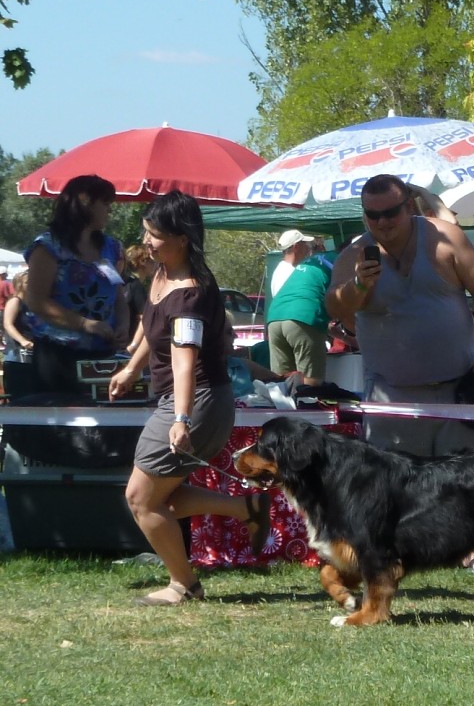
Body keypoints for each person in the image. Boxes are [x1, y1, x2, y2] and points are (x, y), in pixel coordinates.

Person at [326, 174, 474, 572]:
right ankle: (399, 552)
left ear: (409, 205)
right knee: (392, 481)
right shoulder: (355, 255)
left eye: (390, 212)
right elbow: (336, 308)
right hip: (392, 391)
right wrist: (358, 286)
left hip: (458, 383)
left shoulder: (446, 237)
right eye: (373, 215)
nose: (383, 222)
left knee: (466, 473)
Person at [108, 191, 269, 606]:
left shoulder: (189, 294)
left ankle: (184, 585)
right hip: (182, 400)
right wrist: (131, 369)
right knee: (161, 497)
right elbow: (154, 330)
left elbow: (184, 360)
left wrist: (181, 416)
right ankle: (246, 508)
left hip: (196, 401)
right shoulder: (163, 275)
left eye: (155, 235)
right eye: (145, 232)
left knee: (139, 498)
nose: (146, 242)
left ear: (182, 238)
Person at [23, 175, 129, 395]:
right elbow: (36, 300)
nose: (110, 211)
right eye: (106, 204)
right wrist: (84, 324)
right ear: (85, 202)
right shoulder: (48, 246)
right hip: (58, 356)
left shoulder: (112, 247)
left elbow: (119, 297)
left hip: (103, 355)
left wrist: (123, 326)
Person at [267, 248, 338, 385]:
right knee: (310, 385)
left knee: (280, 384)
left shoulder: (313, 259)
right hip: (303, 316)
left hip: (275, 316)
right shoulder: (344, 260)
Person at [122, 244, 156, 355]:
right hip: (131, 345)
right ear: (142, 262)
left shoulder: (124, 283)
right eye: (151, 261)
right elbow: (144, 318)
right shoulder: (136, 286)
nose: (154, 264)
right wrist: (135, 345)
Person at [270, 229, 314, 297]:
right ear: (296, 247)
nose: (307, 248)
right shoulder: (287, 273)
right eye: (304, 244)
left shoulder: (283, 270)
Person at [2, 271, 34, 362]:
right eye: (27, 282)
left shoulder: (32, 303)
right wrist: (23, 341)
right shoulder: (15, 301)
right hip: (17, 350)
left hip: (32, 348)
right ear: (19, 285)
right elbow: (8, 324)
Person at [0, 265, 13, 348]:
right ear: (3, 274)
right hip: (3, 309)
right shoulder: (6, 284)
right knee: (6, 327)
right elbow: (11, 296)